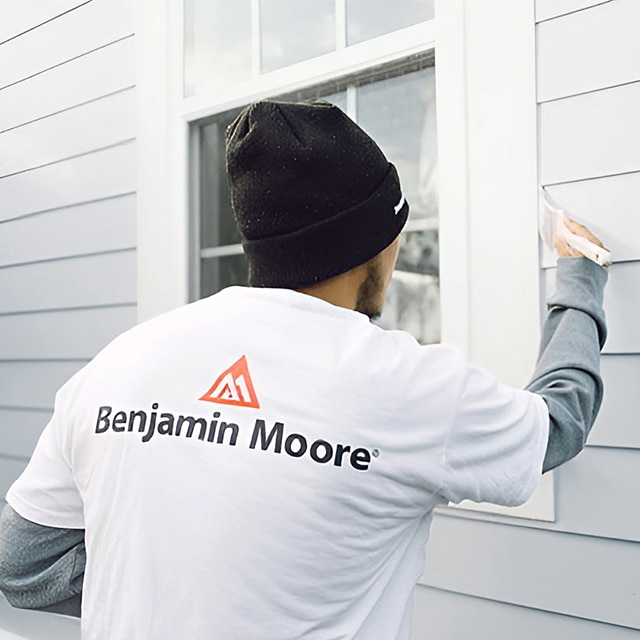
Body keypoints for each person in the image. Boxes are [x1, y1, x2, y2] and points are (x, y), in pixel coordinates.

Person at [0, 100, 608, 639]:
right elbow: (558, 423)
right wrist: (579, 272)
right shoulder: (406, 387)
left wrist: (168, 593)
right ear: (373, 242)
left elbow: (21, 565)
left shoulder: (121, 362)